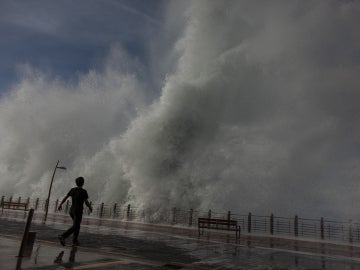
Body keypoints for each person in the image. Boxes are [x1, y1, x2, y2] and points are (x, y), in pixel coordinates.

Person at [57, 176, 92, 246]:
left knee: (77, 226)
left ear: (76, 183)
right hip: (78, 211)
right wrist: (90, 207)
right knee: (76, 226)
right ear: (83, 183)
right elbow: (86, 202)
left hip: (71, 211)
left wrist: (60, 204)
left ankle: (75, 241)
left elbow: (65, 197)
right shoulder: (83, 191)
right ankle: (63, 236)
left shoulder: (72, 190)